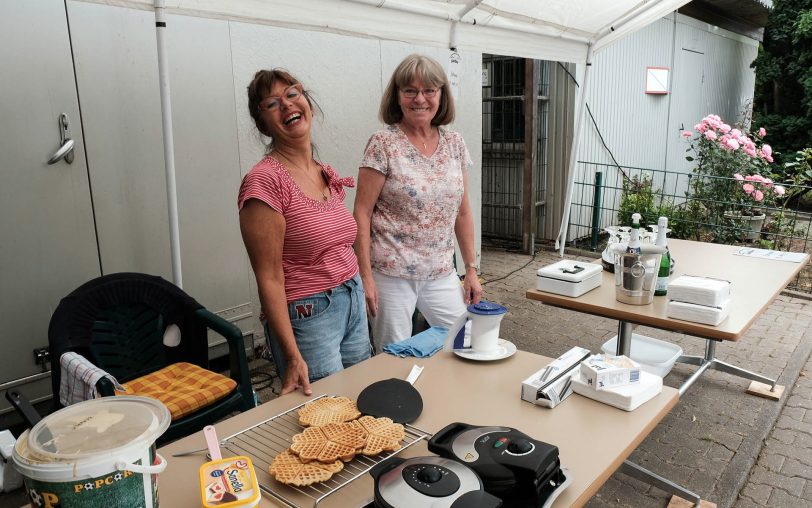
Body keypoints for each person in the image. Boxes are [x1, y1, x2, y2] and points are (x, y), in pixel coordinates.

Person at [238, 69, 370, 395]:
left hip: (350, 297)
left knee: (361, 399)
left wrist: (363, 283)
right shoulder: (265, 182)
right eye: (272, 103)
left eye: (292, 94)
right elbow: (268, 278)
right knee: (327, 413)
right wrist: (292, 355)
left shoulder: (322, 171)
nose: (286, 105)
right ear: (262, 124)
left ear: (307, 102)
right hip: (310, 314)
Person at [354, 54, 483, 351]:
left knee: (467, 340)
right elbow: (361, 212)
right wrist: (366, 276)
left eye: (429, 91)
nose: (420, 99)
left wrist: (471, 269)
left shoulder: (454, 143)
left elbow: (462, 212)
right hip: (391, 272)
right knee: (394, 353)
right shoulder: (383, 143)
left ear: (441, 96)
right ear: (397, 97)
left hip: (440, 270)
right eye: (410, 90)